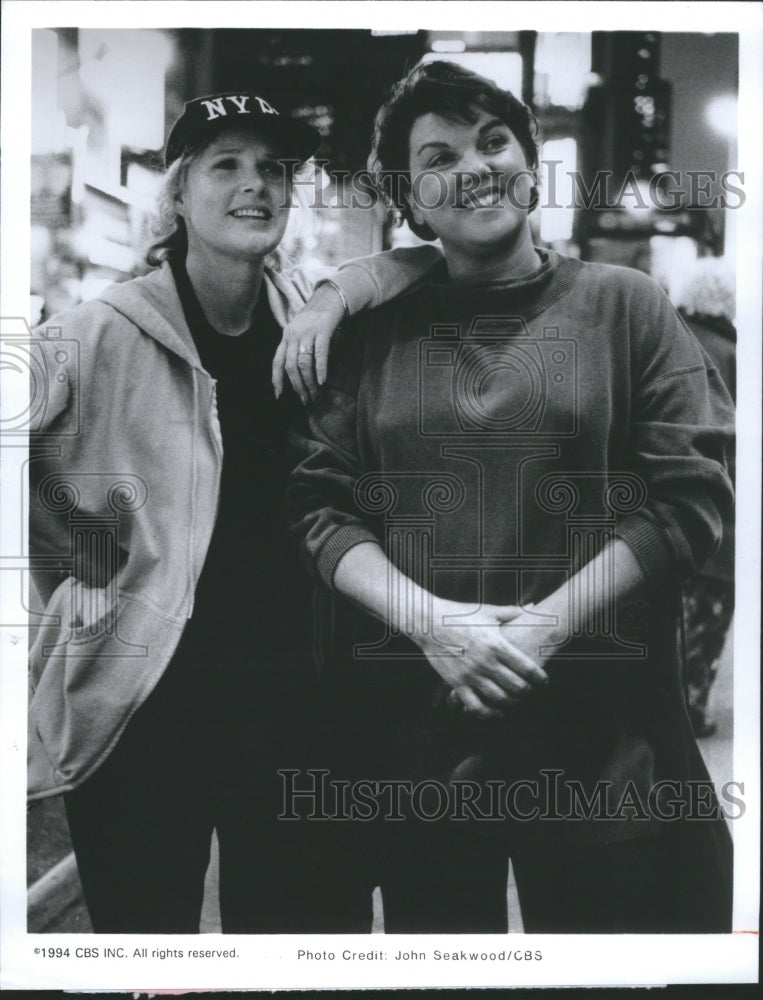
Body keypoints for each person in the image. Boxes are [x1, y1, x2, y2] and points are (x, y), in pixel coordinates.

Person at [287, 62, 735, 933]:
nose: (474, 167)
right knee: (447, 963)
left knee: (612, 962)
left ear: (532, 166)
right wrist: (430, 623)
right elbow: (320, 506)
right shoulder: (367, 336)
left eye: (493, 142)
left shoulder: (626, 307)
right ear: (410, 201)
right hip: (426, 733)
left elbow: (688, 497)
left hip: (602, 738)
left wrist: (539, 627)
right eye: (440, 156)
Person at [27, 90, 441, 933]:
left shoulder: (305, 323)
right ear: (177, 193)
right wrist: (85, 568)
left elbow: (431, 261)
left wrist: (334, 296)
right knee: (148, 961)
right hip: (143, 711)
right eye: (227, 166)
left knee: (294, 949)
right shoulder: (97, 332)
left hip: (296, 710)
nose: (256, 185)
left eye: (273, 169)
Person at [673, 257, 736, 738]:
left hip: (661, 501)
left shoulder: (668, 333)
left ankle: (665, 700)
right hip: (719, 503)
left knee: (673, 605)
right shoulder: (731, 351)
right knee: (709, 607)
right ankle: (690, 704)